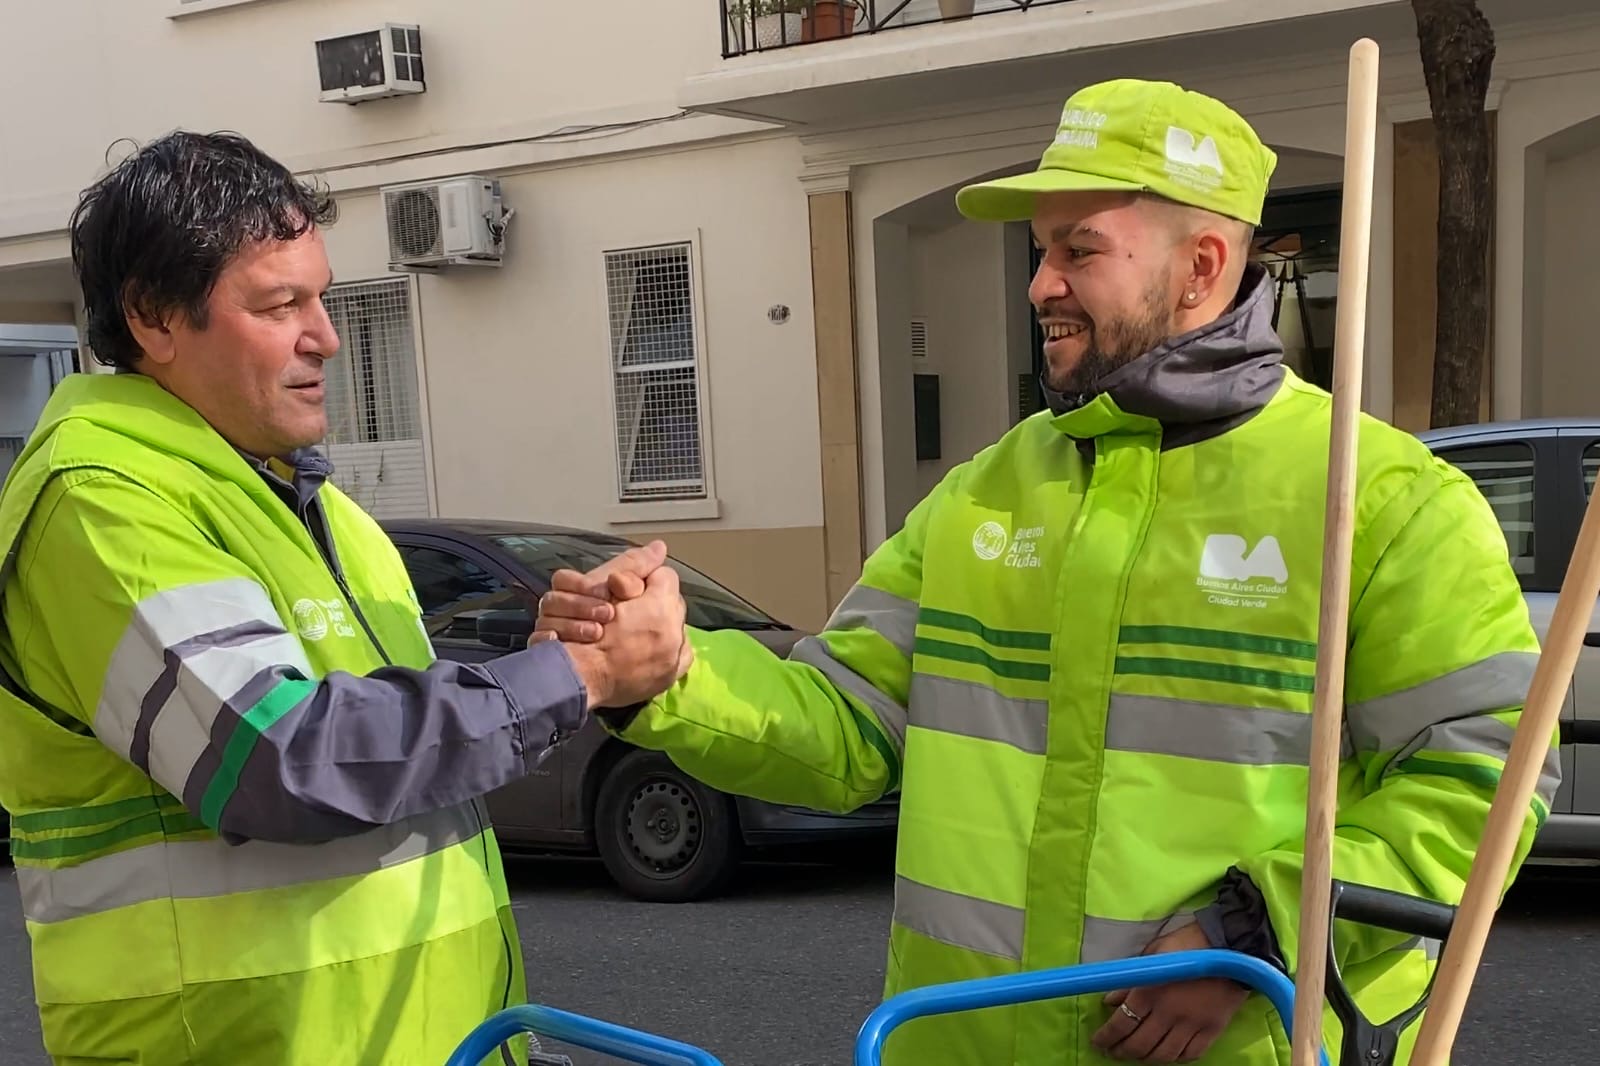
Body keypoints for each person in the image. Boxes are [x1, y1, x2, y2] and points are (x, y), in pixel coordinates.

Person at [533, 79, 1560, 1066]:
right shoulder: (984, 490)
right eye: (1037, 252)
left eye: (1079, 251)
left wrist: (1254, 934)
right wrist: (669, 678)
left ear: (1202, 265)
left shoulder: (1378, 498)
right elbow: (846, 723)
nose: (1039, 286)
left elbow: (1484, 781)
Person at [0, 131, 683, 1066]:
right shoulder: (100, 498)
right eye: (281, 305)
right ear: (155, 317)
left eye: (321, 297)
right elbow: (280, 757)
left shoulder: (317, 507)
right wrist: (579, 674)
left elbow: (392, 741)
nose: (326, 334)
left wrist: (555, 643)